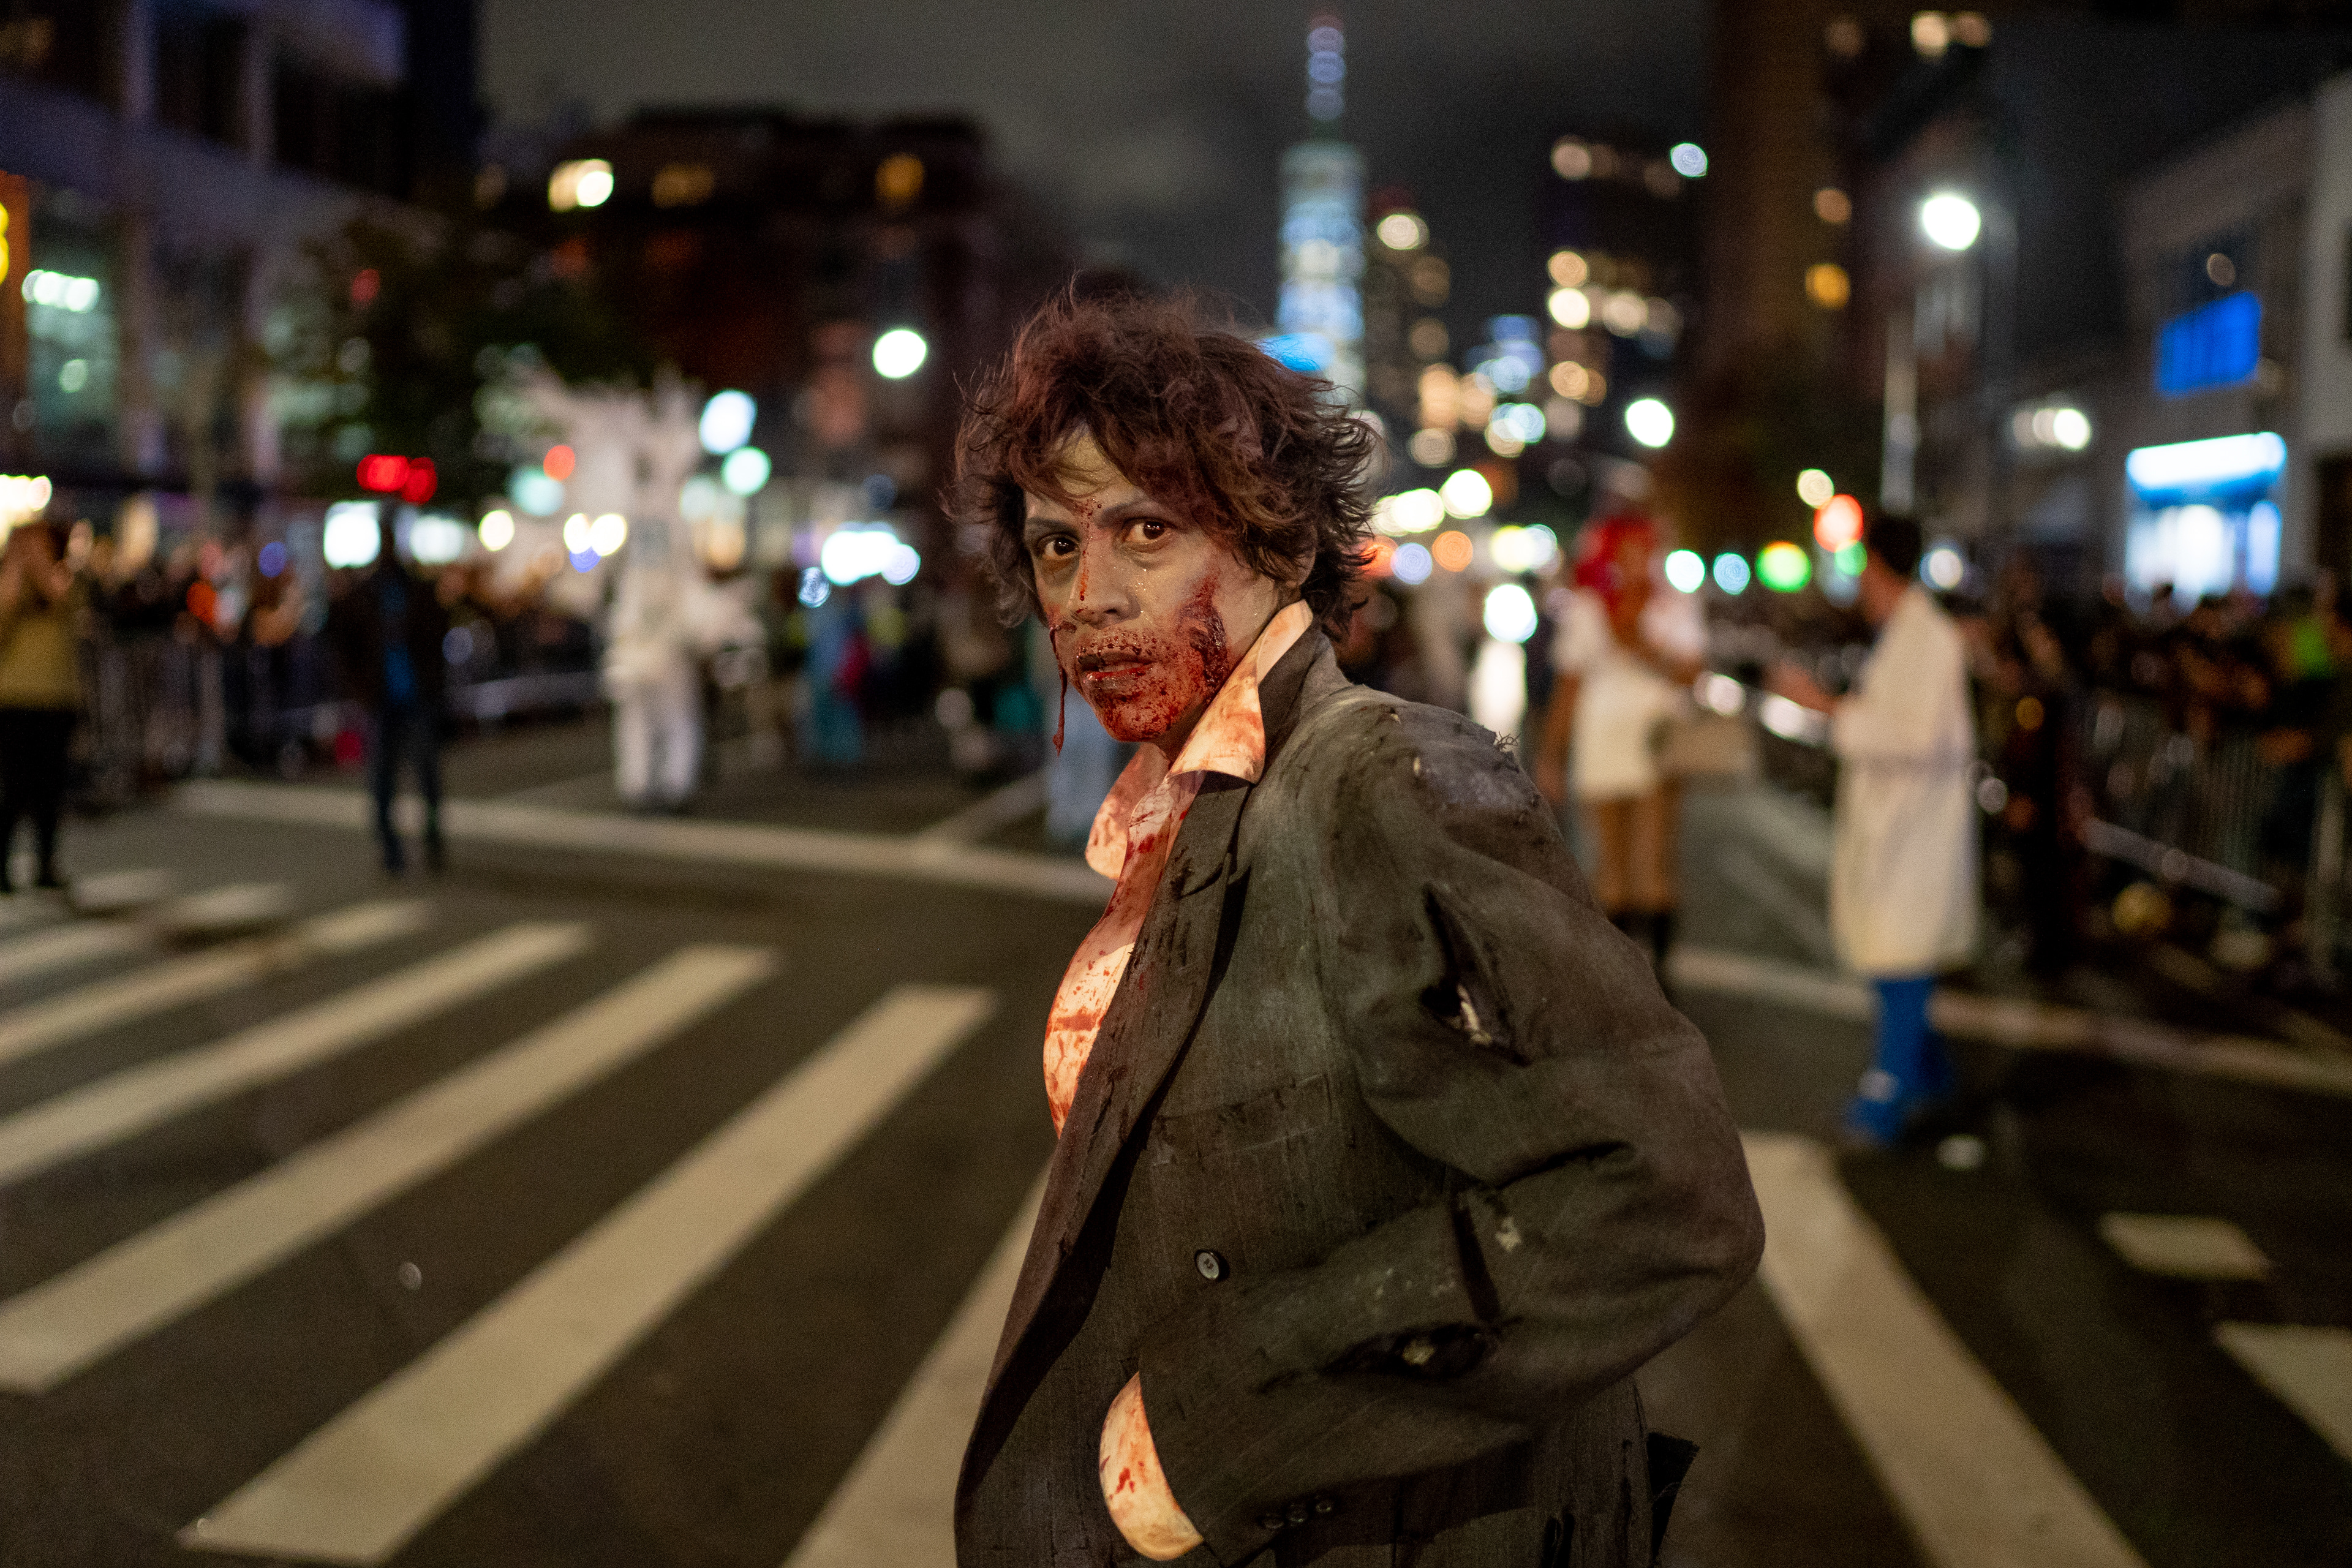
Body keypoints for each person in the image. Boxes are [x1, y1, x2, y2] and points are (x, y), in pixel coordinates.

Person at [952, 294, 1762, 1568]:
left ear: (1273, 537)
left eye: (1144, 530)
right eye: (1055, 547)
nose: (1088, 594)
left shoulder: (1378, 783)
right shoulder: (1193, 794)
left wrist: (1220, 1419)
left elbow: (1659, 1194)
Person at [1770, 514, 1978, 1145]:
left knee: (1901, 958)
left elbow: (1919, 736)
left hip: (1914, 828)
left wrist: (1826, 707)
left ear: (1877, 565)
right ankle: (1929, 1078)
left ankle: (1890, 1091)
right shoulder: (1909, 634)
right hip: (1898, 824)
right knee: (1894, 950)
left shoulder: (1928, 637)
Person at [1532, 507, 1707, 969]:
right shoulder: (1589, 607)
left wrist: (1643, 646)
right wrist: (1551, 756)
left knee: (1655, 862)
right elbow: (1569, 687)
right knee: (1610, 865)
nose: (1637, 562)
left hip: (1658, 739)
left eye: (1644, 551)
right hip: (1603, 738)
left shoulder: (1673, 602)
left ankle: (1659, 979)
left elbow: (1693, 673)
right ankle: (1622, 975)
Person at [328, 507, 450, 875]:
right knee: (383, 777)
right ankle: (392, 849)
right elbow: (342, 643)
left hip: (414, 694)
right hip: (383, 698)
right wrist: (360, 687)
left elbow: (436, 635)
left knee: (424, 772)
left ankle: (430, 840)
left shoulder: (414, 590)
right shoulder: (365, 595)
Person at [0, 518, 86, 892]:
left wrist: (37, 565)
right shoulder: (7, 581)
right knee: (12, 787)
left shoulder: (66, 576)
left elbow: (61, 596)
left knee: (51, 788)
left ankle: (46, 863)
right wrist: (17, 568)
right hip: (14, 699)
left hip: (57, 698)